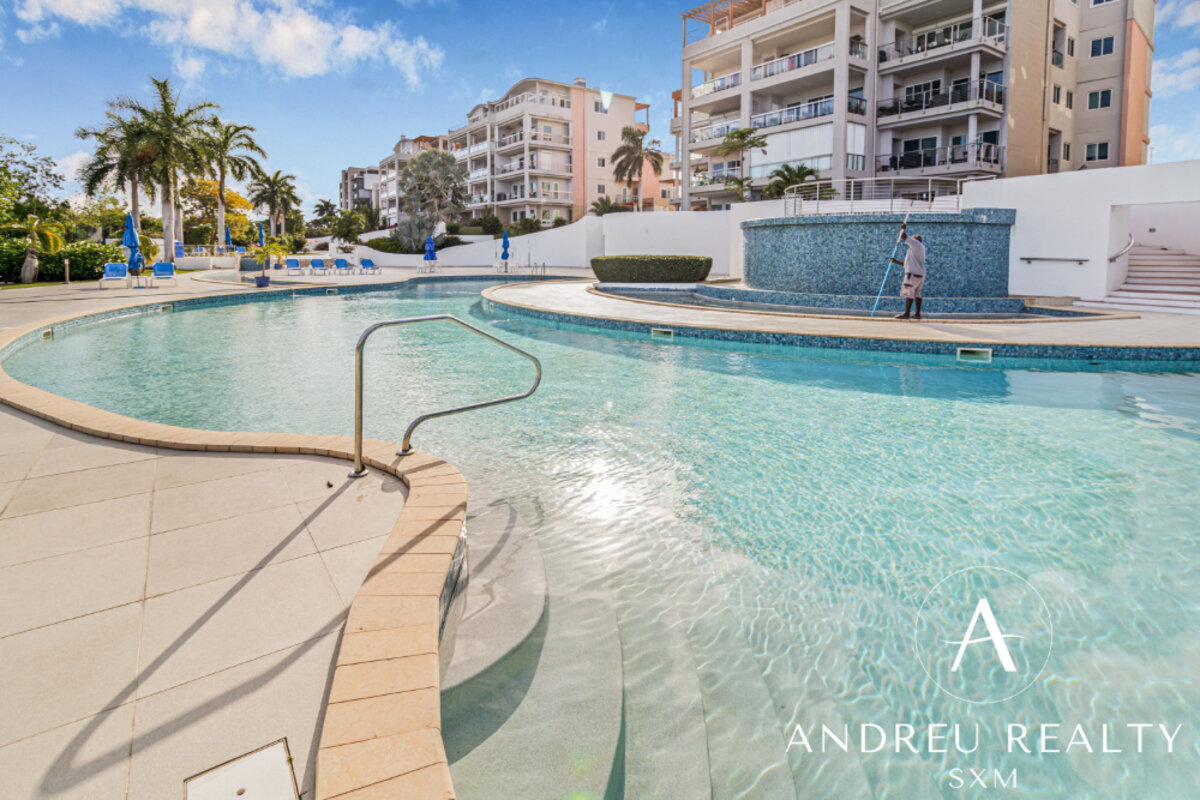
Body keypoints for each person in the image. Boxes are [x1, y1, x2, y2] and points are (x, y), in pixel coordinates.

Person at [890, 223, 925, 320]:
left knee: (909, 292)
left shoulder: (916, 244)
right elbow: (907, 264)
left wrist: (903, 229)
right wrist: (896, 262)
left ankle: (906, 314)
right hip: (919, 274)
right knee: (917, 294)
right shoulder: (916, 250)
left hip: (913, 275)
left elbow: (903, 236)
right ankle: (917, 314)